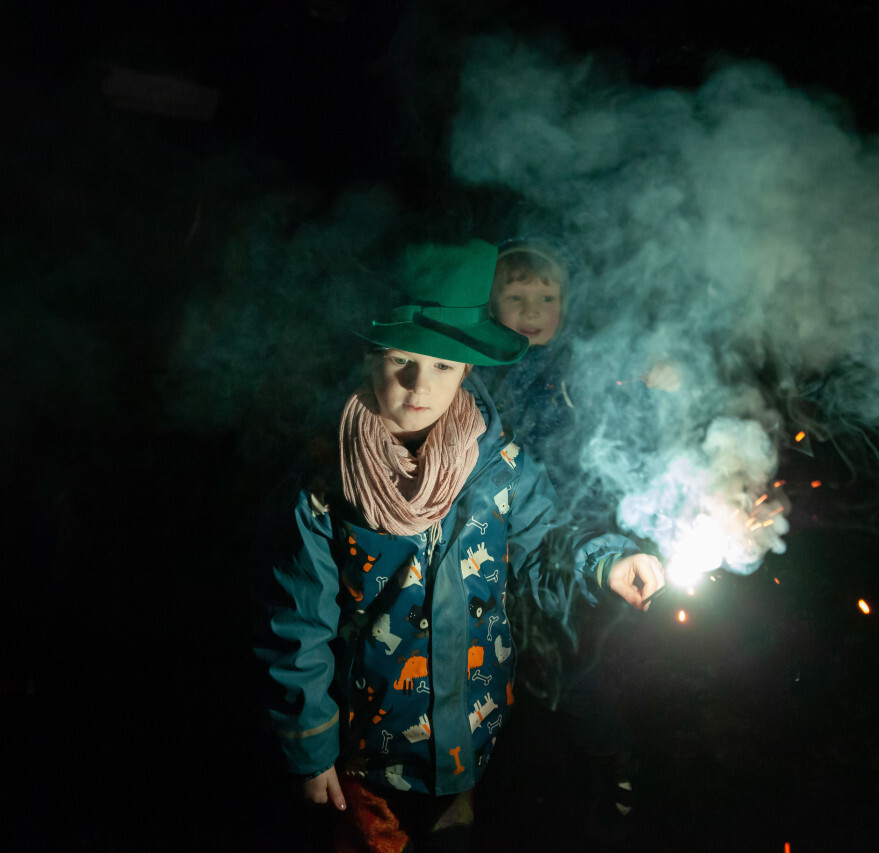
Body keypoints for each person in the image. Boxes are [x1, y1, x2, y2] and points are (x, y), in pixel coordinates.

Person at [254, 238, 664, 852]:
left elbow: (546, 540)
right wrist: (311, 749)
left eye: (444, 366)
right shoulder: (325, 488)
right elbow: (298, 626)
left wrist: (608, 561)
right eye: (402, 360)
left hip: (469, 734)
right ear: (370, 359)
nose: (421, 384)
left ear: (468, 367)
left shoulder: (500, 467)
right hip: (368, 753)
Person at [479, 237, 682, 842]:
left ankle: (611, 759)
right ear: (490, 303)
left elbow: (623, 438)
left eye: (547, 296)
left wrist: (651, 389)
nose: (534, 309)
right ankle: (478, 779)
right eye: (516, 297)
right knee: (486, 660)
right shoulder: (472, 370)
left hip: (567, 537)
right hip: (487, 541)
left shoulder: (584, 367)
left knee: (568, 659)